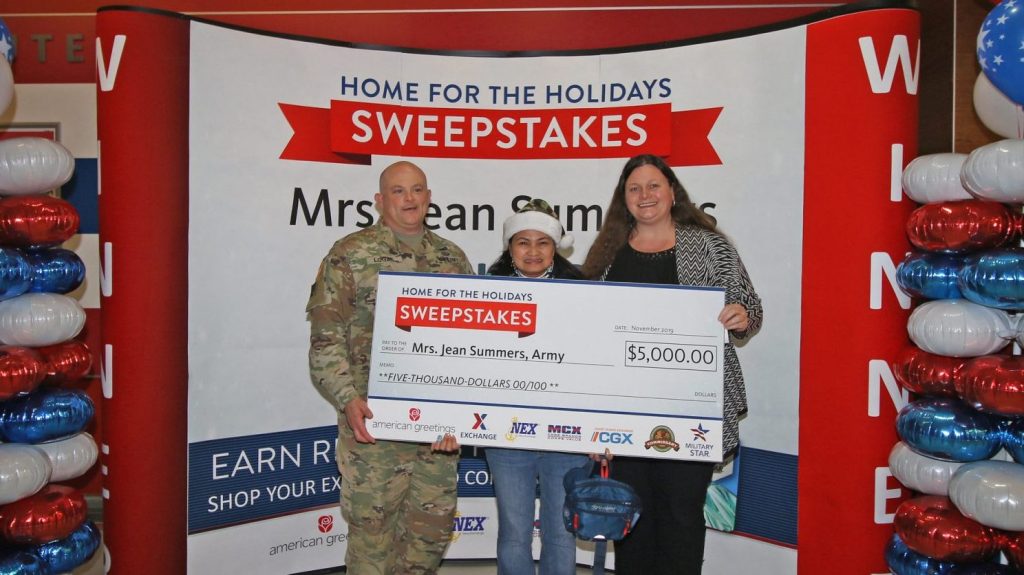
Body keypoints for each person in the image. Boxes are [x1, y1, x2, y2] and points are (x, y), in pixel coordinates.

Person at [581, 154, 763, 575]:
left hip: (691, 409)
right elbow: (587, 336)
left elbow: (749, 304)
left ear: (671, 191)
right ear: (623, 198)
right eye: (634, 188)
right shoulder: (607, 253)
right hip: (623, 412)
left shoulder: (709, 244)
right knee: (632, 516)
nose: (645, 196)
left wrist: (741, 313)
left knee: (681, 515)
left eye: (654, 186)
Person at [307, 161, 472, 575]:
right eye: (398, 191)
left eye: (417, 190)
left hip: (436, 433)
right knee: (373, 542)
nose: (410, 199)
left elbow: (472, 347)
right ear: (380, 201)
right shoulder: (349, 254)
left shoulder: (452, 258)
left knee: (429, 538)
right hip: (374, 430)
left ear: (429, 197)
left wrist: (462, 415)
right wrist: (348, 400)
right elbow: (326, 341)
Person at [483, 199, 590, 575]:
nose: (532, 251)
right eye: (522, 242)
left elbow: (597, 369)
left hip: (568, 438)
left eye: (542, 242)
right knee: (514, 532)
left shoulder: (587, 295)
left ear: (555, 247)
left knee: (561, 533)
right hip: (508, 438)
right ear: (510, 248)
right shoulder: (485, 295)